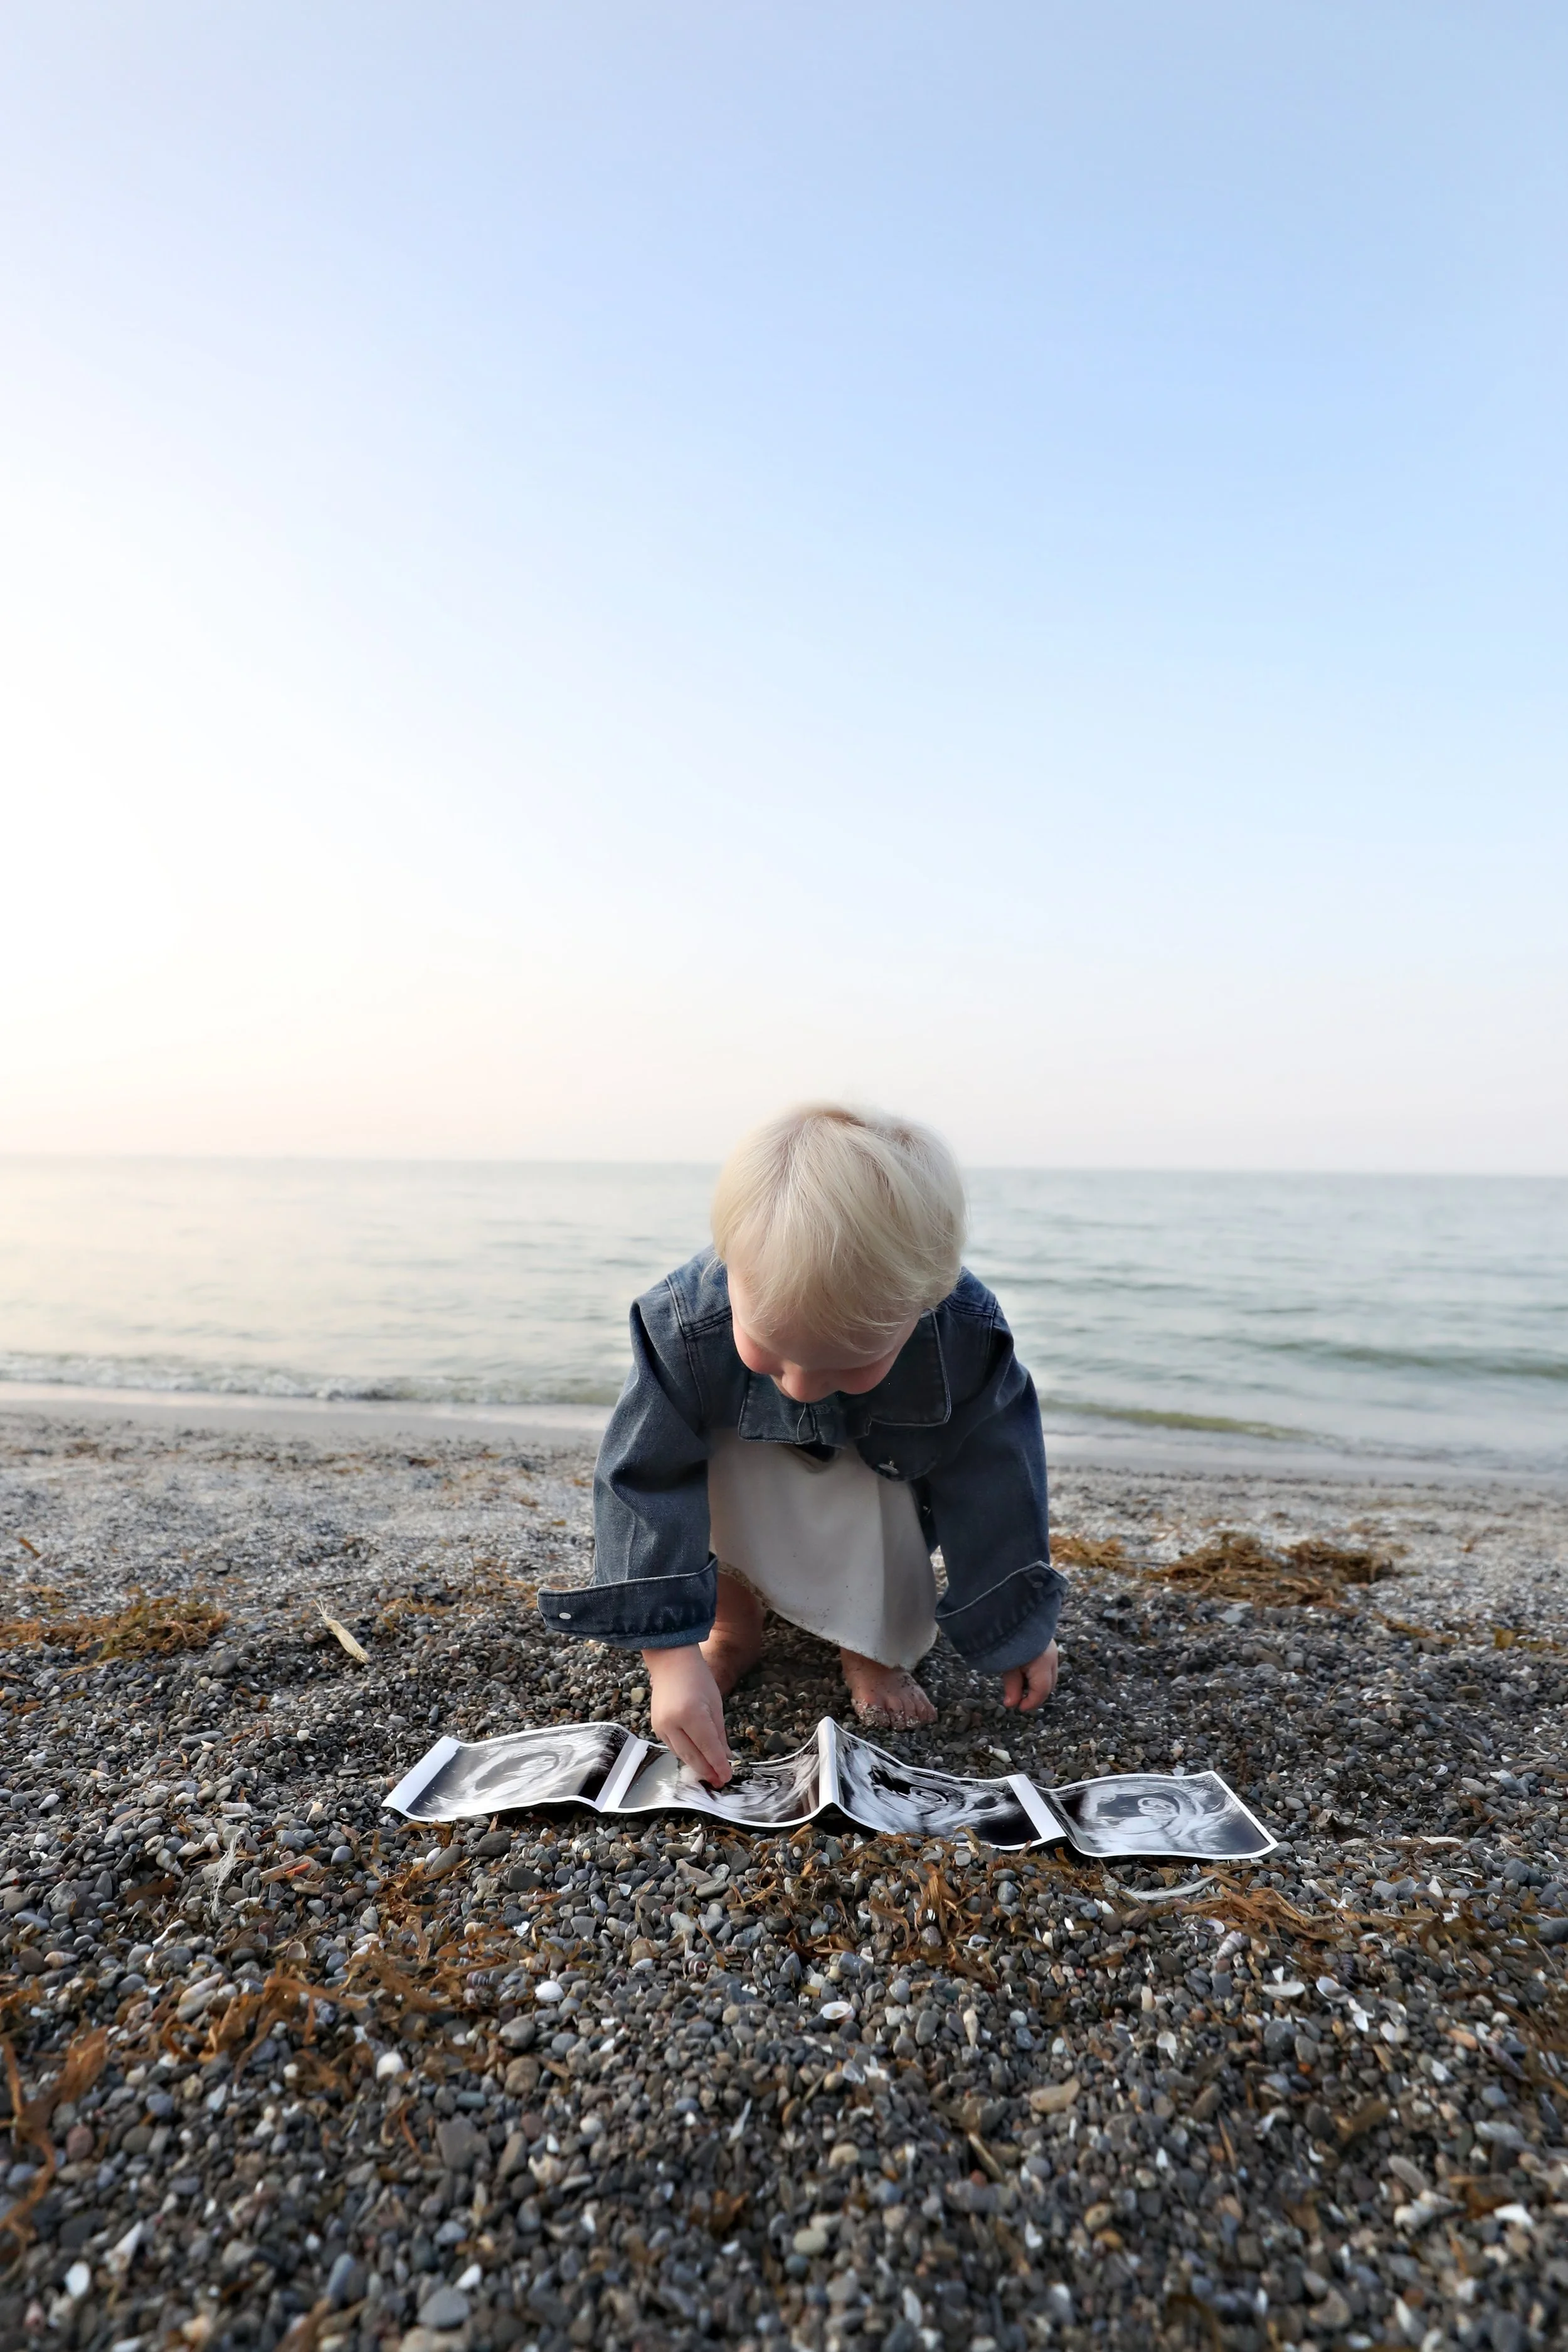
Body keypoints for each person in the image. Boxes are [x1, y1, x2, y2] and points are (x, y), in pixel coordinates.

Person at [538, 1105, 1066, 1786]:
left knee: (893, 1464)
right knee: (696, 1453)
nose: (803, 1388)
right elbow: (643, 1480)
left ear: (924, 1304)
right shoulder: (687, 1327)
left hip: (883, 1481)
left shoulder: (961, 1333)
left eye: (848, 1364)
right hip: (740, 1476)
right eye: (775, 1353)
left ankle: (869, 1644)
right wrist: (668, 1657)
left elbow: (998, 1481)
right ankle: (730, 1628)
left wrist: (1018, 1627)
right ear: (730, 1270)